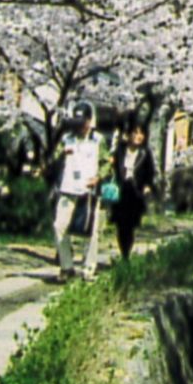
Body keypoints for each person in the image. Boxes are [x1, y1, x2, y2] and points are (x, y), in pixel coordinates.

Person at [50, 102, 109, 281]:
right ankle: (66, 266)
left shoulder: (98, 140)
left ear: (90, 121)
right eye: (78, 121)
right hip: (68, 188)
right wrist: (61, 152)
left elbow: (106, 161)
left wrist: (98, 177)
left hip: (89, 190)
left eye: (84, 121)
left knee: (91, 231)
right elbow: (54, 157)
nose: (81, 126)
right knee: (59, 226)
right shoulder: (67, 138)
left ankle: (88, 267)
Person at [109, 118, 158, 260]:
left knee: (130, 225)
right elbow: (113, 167)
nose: (138, 136)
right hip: (121, 190)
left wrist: (147, 186)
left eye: (141, 133)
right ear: (128, 134)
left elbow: (150, 172)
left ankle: (126, 254)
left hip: (135, 193)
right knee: (120, 225)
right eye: (135, 132)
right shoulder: (120, 150)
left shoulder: (145, 153)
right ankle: (124, 251)